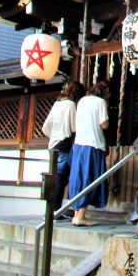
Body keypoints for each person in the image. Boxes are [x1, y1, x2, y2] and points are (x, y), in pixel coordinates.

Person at [68, 80, 110, 227]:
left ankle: (76, 213)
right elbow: (104, 124)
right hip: (93, 144)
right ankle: (81, 215)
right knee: (89, 177)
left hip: (79, 143)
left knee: (78, 177)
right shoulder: (100, 103)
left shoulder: (82, 101)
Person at [41, 80, 85, 220]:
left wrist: (54, 135)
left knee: (56, 178)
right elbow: (74, 127)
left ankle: (53, 209)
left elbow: (45, 126)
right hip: (64, 144)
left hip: (53, 144)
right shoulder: (71, 105)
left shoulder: (57, 104)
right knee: (62, 179)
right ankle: (56, 210)